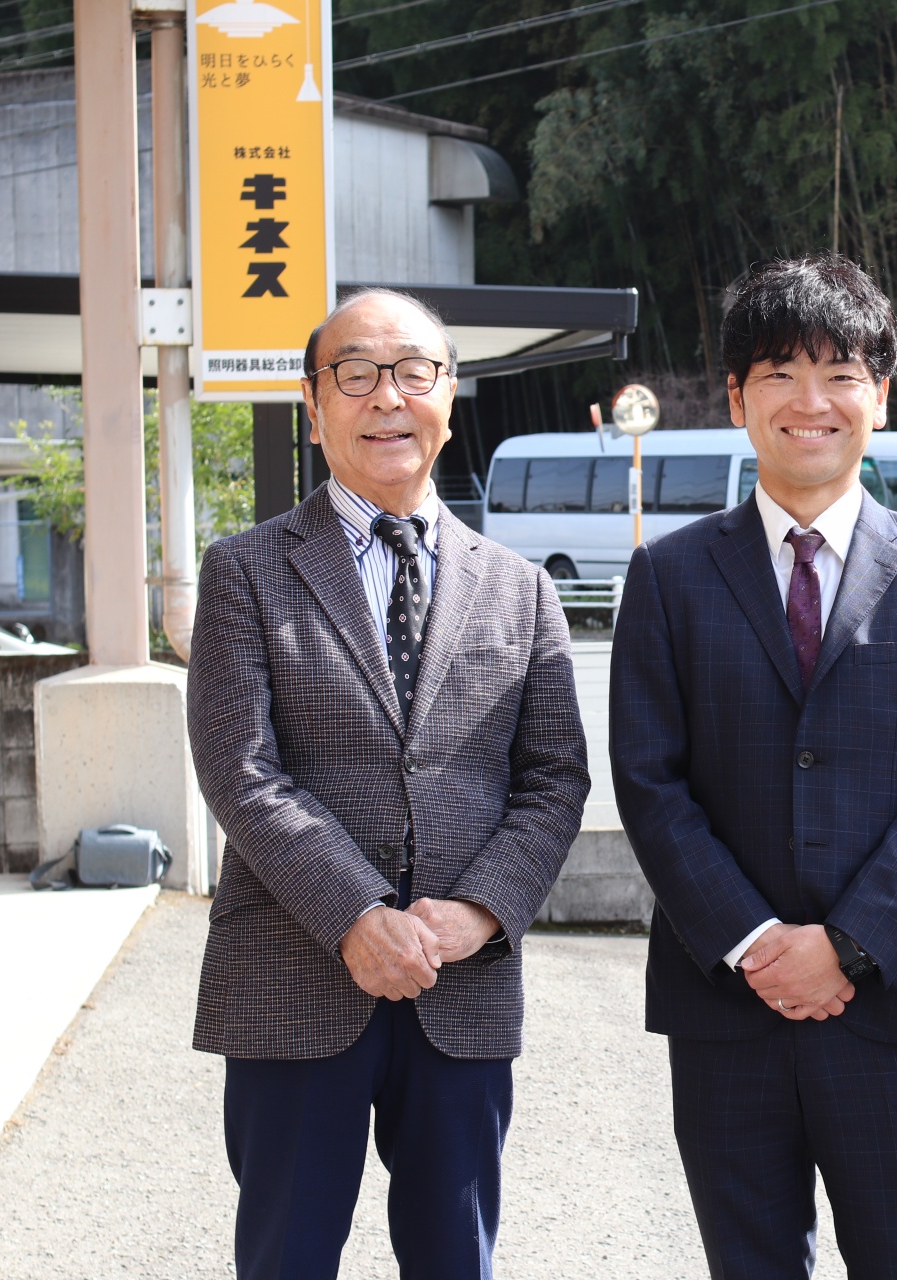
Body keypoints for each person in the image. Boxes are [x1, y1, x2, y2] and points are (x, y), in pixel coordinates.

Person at [610, 255, 897, 1279]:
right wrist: (754, 942)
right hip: (725, 1009)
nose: (810, 401)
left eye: (839, 373)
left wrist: (847, 945)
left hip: (894, 1004)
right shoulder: (667, 577)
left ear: (880, 395)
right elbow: (650, 783)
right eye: (780, 373)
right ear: (737, 398)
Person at [186, 288, 590, 1280]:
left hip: (462, 982)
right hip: (293, 972)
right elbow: (240, 769)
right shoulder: (245, 571)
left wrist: (481, 911)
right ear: (313, 404)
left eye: (413, 371)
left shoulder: (521, 588)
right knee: (286, 1258)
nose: (387, 397)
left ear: (450, 394)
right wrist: (357, 914)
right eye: (356, 373)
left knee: (456, 1258)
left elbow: (554, 777)